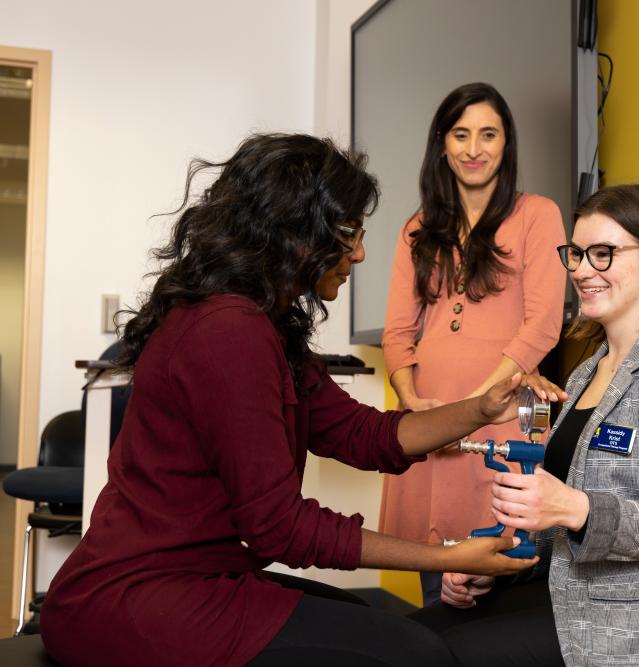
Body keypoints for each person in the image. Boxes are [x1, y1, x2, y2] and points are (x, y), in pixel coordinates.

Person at [38, 133, 561, 667]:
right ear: (293, 232)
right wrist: (445, 555)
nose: (359, 252)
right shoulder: (227, 333)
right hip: (133, 599)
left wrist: (480, 409)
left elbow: (368, 435)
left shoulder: (263, 324)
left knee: (392, 631)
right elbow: (279, 526)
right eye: (350, 232)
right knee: (415, 654)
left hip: (200, 577)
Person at [410, 184, 639, 666]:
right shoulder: (586, 373)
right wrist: (497, 565)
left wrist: (573, 507)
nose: (582, 270)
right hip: (570, 600)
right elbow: (563, 519)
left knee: (437, 656)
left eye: (603, 254)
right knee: (408, 638)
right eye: (578, 254)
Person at [380, 82, 567, 604]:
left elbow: (543, 326)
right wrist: (415, 406)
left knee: (499, 569)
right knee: (437, 587)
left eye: (488, 134)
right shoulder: (417, 230)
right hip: (426, 415)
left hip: (502, 413)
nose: (473, 148)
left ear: (507, 145)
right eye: (460, 135)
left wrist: (474, 406)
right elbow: (397, 332)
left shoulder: (539, 215)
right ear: (442, 144)